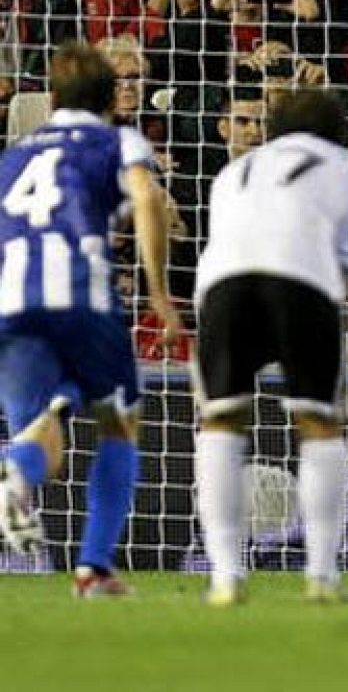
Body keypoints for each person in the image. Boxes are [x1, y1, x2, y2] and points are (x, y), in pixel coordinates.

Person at [0, 42, 180, 597]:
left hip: (11, 302)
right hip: (81, 295)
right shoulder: (118, 138)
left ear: (52, 97)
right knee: (118, 422)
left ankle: (14, 476)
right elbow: (147, 200)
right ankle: (95, 566)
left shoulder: (16, 154)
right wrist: (159, 291)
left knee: (44, 429)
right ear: (110, 98)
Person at [190, 88, 348, 605]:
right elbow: (345, 267)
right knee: (320, 424)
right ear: (340, 133)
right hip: (302, 281)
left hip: (222, 288)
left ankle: (226, 575)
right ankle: (321, 575)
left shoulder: (233, 172)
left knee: (219, 422)